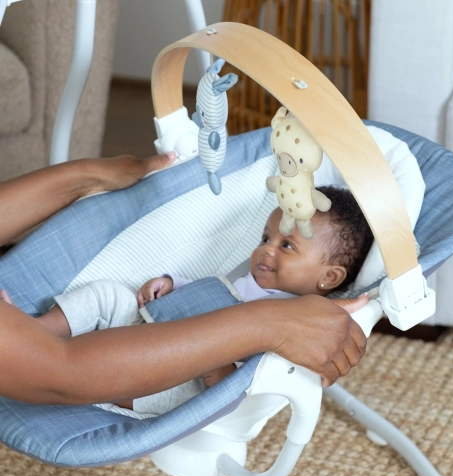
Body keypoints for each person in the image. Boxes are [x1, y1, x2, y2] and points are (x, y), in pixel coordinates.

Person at [0, 156, 368, 406]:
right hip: (145, 326)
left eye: (287, 245)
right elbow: (206, 292)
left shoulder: (305, 322)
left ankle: (111, 395)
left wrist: (221, 370)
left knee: (171, 396)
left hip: (179, 375)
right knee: (106, 296)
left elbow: (250, 382)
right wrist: (171, 284)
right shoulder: (249, 286)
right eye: (265, 238)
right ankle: (42, 329)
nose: (266, 250)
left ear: (329, 277)